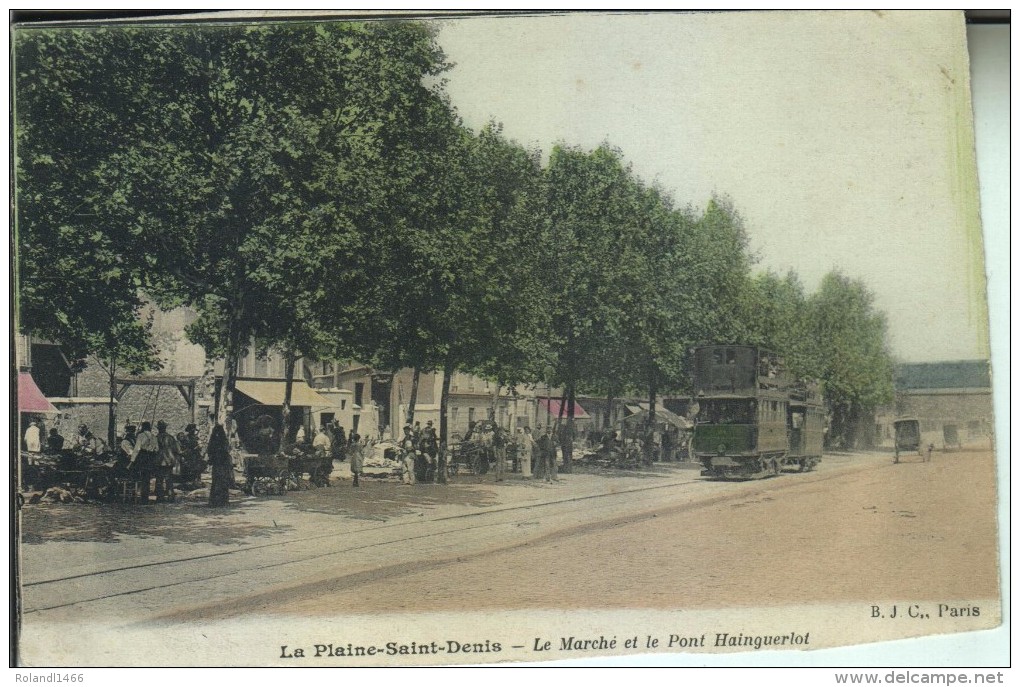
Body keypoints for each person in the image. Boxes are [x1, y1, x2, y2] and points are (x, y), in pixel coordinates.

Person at [130, 421, 161, 504]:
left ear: (142, 427)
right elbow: (157, 449)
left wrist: (132, 460)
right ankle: (145, 497)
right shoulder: (154, 437)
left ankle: (143, 497)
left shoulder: (141, 435)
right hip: (151, 458)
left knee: (142, 477)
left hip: (143, 457)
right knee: (147, 478)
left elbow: (137, 448)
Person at [208, 424, 233, 507]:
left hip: (217, 464)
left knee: (216, 481)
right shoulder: (224, 440)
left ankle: (214, 501)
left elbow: (209, 452)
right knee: (223, 481)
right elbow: (227, 450)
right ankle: (223, 501)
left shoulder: (213, 441)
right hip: (223, 463)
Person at [155, 420, 180, 502]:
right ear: (165, 428)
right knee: (169, 479)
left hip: (158, 461)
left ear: (159, 429)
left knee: (159, 480)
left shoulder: (155, 438)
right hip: (169, 461)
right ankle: (170, 496)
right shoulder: (171, 438)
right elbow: (176, 450)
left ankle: (160, 497)